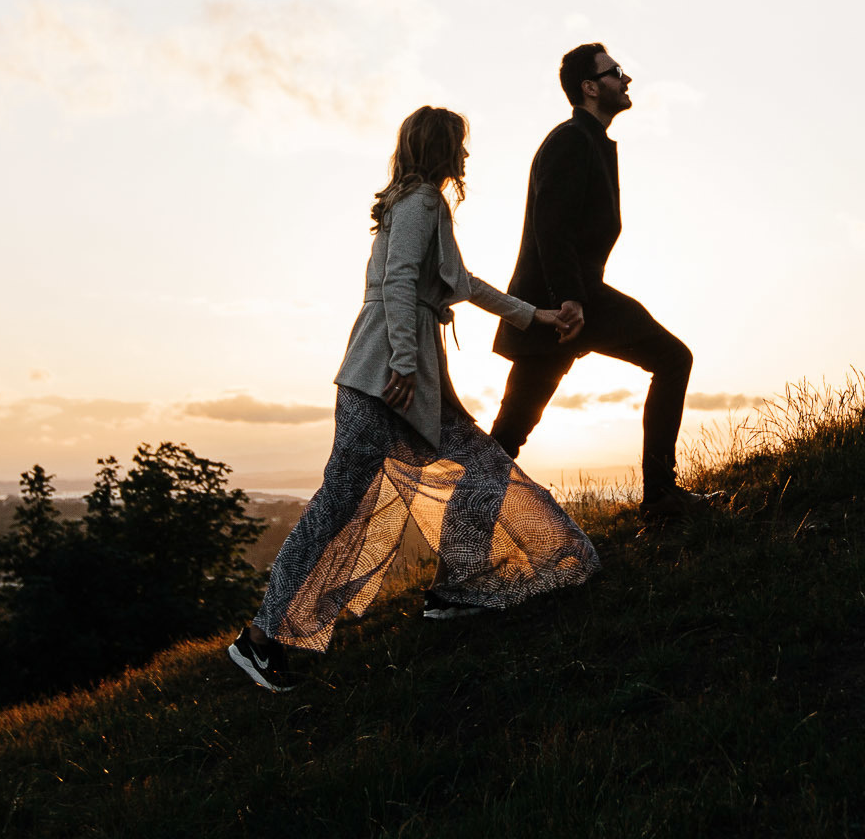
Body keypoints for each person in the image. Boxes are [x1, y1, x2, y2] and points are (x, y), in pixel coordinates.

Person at [228, 106, 598, 692]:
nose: (466, 155)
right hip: (387, 378)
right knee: (338, 507)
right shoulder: (423, 200)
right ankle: (260, 641)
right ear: (441, 148)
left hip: (407, 378)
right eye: (459, 144)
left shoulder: (416, 203)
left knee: (478, 467)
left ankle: (457, 589)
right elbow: (400, 282)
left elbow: (463, 283)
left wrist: (538, 316)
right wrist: (403, 361)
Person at [489, 42, 712, 519]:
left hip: (572, 298)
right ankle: (660, 499)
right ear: (590, 88)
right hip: (561, 304)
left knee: (509, 432)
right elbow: (552, 226)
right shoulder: (571, 140)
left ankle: (660, 497)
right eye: (615, 72)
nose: (625, 79)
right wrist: (569, 300)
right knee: (672, 359)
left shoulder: (589, 141)